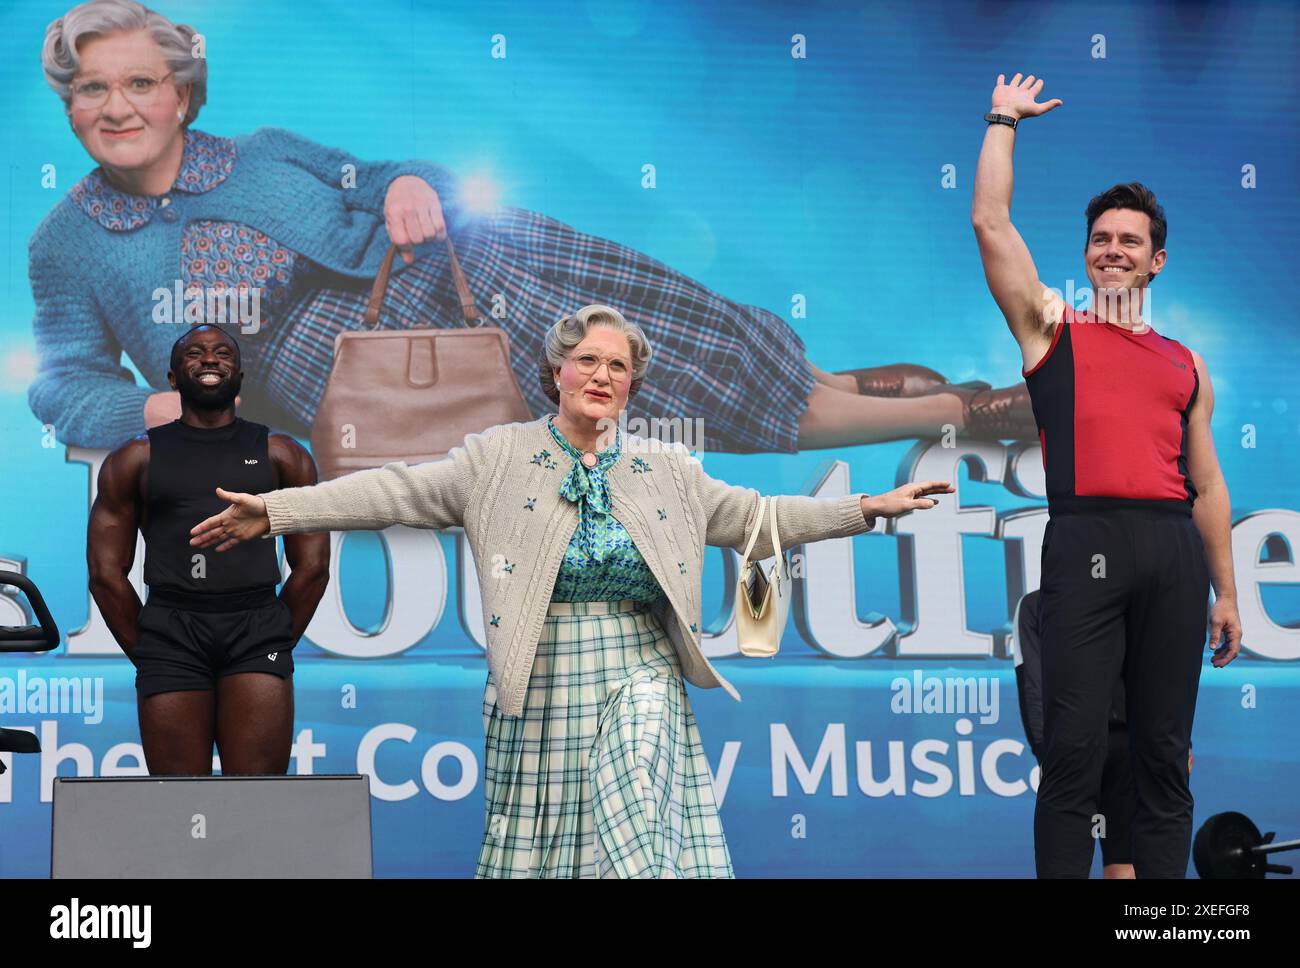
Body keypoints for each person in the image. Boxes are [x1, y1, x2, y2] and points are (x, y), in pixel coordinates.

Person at [30, 0, 1035, 458]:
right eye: (91, 90)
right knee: (681, 414)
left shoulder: (262, 149)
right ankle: (965, 412)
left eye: (139, 84)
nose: (115, 107)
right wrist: (147, 412)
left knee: (715, 351)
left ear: (180, 92)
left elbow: (385, 172)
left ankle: (921, 395)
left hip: (476, 260)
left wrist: (404, 189)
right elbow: (65, 382)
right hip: (371, 373)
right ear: (69, 104)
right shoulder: (66, 243)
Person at [191, 305, 953, 877]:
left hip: (641, 666)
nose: (602, 377)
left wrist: (865, 511)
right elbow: (392, 492)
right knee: (548, 853)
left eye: (618, 368)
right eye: (588, 361)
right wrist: (277, 511)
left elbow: (760, 517)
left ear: (632, 385)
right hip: (541, 676)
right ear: (556, 373)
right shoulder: (496, 458)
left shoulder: (667, 471)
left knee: (639, 781)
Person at [973, 73, 1241, 878]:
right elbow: (990, 221)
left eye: (1130, 241)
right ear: (1086, 256)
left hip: (1171, 552)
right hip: (1084, 540)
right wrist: (1002, 121)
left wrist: (1226, 592)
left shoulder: (1187, 364)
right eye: (1101, 239)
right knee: (1075, 755)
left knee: (1164, 756)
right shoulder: (1052, 329)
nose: (1113, 250)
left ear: (1156, 261)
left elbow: (1211, 486)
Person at [87, 323, 329, 774]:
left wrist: (272, 642)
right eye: (195, 353)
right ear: (174, 378)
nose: (210, 359)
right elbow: (105, 574)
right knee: (180, 805)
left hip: (257, 626)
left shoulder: (283, 455)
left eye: (223, 353)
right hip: (171, 630)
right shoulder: (135, 458)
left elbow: (312, 567)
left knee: (255, 801)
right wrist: (152, 652)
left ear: (240, 375)